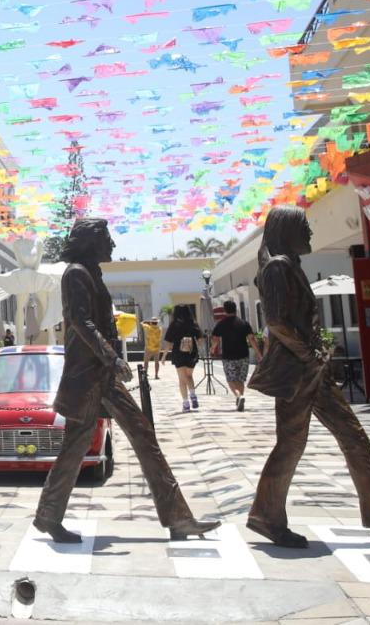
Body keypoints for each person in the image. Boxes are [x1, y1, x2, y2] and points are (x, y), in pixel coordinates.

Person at [246, 206, 370, 548]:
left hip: (311, 370)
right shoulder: (278, 267)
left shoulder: (288, 266)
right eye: (304, 227)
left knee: (352, 437)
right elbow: (276, 322)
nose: (310, 234)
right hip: (297, 371)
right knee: (294, 444)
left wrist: (317, 355)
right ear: (287, 229)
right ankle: (266, 515)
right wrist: (310, 354)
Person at [32, 219, 218, 544]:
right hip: (90, 376)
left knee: (132, 438)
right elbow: (81, 321)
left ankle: (178, 518)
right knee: (100, 443)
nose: (112, 245)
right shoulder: (77, 273)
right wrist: (113, 357)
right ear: (91, 242)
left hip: (98, 376)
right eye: (106, 238)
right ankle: (177, 518)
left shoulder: (89, 272)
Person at [211, 300, 261, 412]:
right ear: (236, 309)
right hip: (243, 355)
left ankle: (239, 396)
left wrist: (212, 348)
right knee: (240, 380)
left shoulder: (221, 324)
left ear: (225, 310)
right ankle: (240, 398)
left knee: (231, 380)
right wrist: (258, 353)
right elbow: (251, 339)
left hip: (229, 356)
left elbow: (215, 339)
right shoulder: (243, 323)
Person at [166, 305, 201, 411]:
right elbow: (200, 339)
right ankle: (193, 395)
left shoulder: (174, 324)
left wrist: (163, 356)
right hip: (191, 352)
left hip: (178, 352)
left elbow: (168, 342)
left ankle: (186, 403)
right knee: (189, 376)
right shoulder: (193, 324)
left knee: (182, 379)